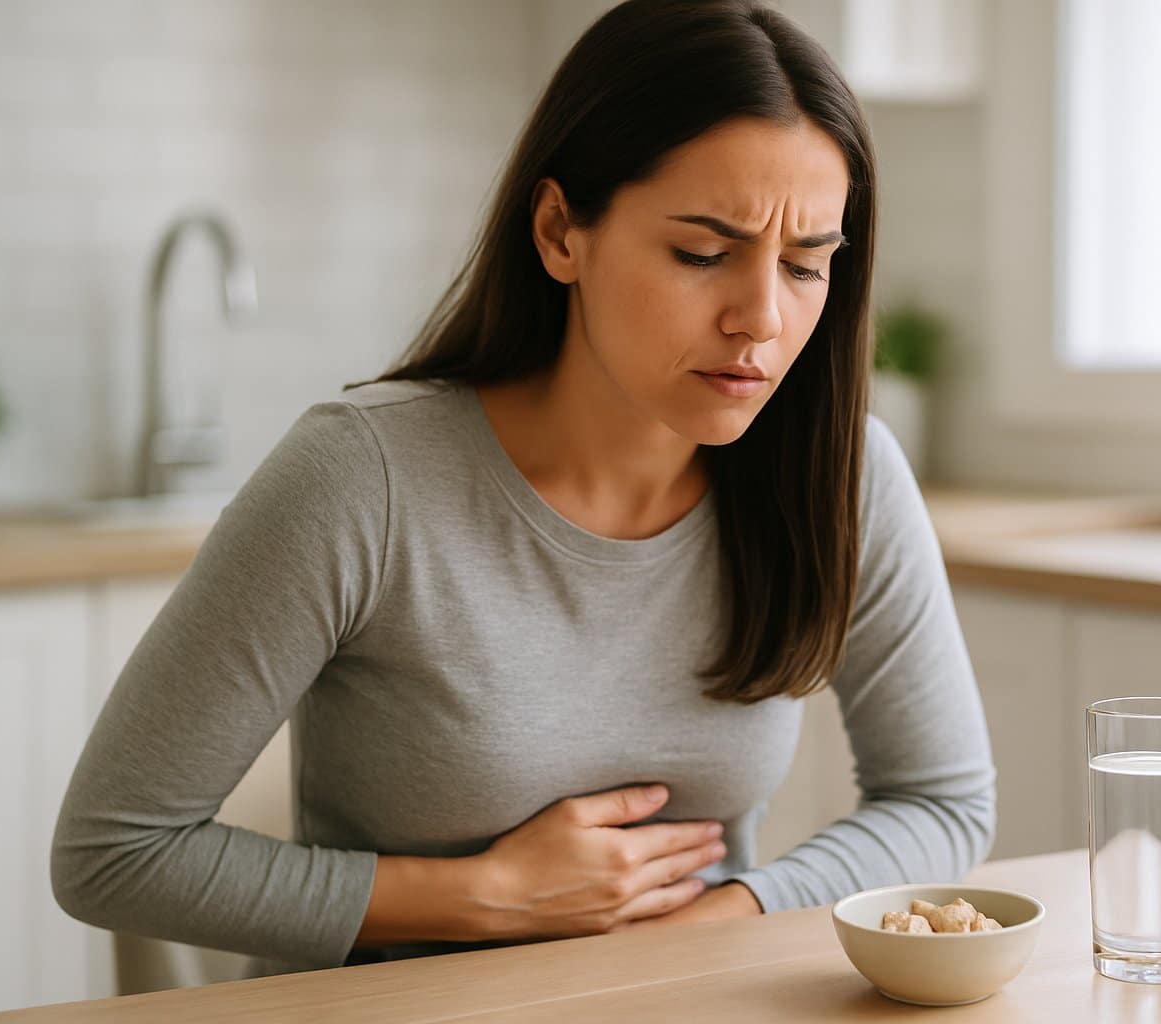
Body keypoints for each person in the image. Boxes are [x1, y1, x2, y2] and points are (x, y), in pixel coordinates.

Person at [50, 0, 997, 978]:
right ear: (559, 233)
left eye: (807, 265)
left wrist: (731, 911)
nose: (760, 318)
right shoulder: (361, 481)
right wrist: (485, 897)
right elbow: (112, 850)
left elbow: (943, 801)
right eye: (703, 254)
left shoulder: (841, 481)